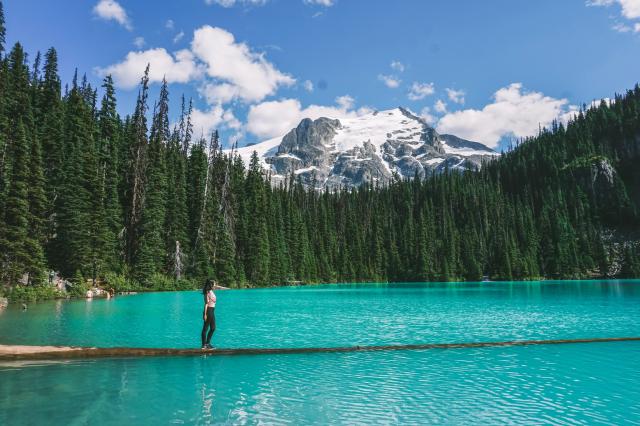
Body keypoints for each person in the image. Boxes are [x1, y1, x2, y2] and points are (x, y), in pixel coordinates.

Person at [201, 279, 217, 349]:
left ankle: (208, 343)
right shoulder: (207, 292)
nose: (215, 286)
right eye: (214, 285)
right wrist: (205, 314)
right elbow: (206, 304)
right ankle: (204, 345)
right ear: (211, 285)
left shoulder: (211, 291)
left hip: (212, 310)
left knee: (213, 328)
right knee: (205, 328)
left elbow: (218, 286)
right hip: (208, 311)